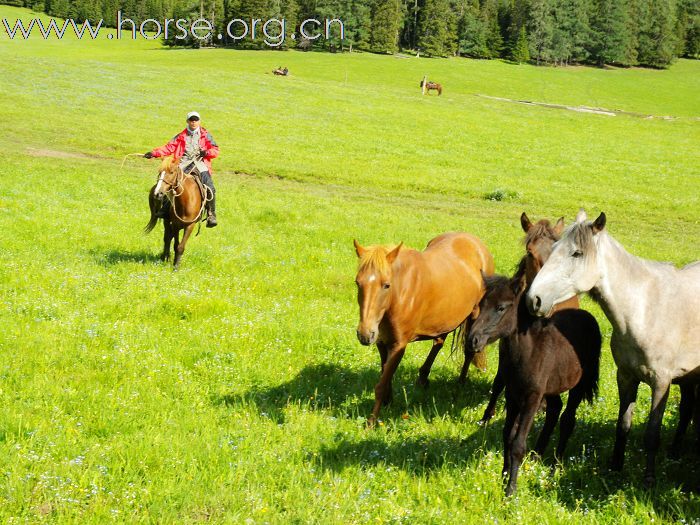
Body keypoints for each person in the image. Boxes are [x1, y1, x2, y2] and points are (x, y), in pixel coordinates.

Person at [144, 111, 220, 228]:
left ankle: (211, 214)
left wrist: (206, 152)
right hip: (183, 164)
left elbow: (215, 150)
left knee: (210, 187)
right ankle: (165, 209)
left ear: (199, 121)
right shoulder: (180, 136)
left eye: (196, 120)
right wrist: (154, 153)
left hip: (200, 164)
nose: (193, 122)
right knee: (170, 182)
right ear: (187, 121)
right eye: (191, 120)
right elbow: (168, 147)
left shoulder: (206, 135)